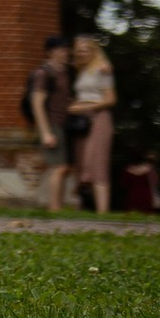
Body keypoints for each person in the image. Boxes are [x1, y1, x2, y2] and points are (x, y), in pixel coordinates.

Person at [67, 34, 117, 215]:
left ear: (94, 50)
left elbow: (111, 99)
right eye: (78, 50)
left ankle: (103, 211)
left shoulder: (102, 69)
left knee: (97, 161)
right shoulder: (82, 70)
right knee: (81, 161)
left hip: (99, 118)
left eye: (85, 49)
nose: (81, 53)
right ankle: (81, 208)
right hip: (81, 120)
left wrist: (87, 107)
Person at [26, 33, 75, 212]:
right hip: (51, 124)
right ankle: (54, 209)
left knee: (64, 167)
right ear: (50, 52)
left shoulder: (64, 72)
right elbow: (37, 103)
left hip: (64, 124)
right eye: (61, 49)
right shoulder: (43, 73)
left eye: (65, 48)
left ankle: (58, 207)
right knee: (58, 167)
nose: (65, 52)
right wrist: (45, 132)